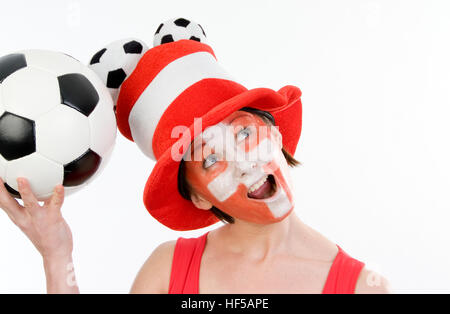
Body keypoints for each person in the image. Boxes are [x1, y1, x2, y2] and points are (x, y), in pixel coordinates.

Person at [0, 25, 391, 294]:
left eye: (242, 132)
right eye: (209, 160)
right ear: (200, 198)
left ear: (273, 131)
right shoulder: (168, 270)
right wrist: (57, 255)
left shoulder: (362, 286)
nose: (244, 161)